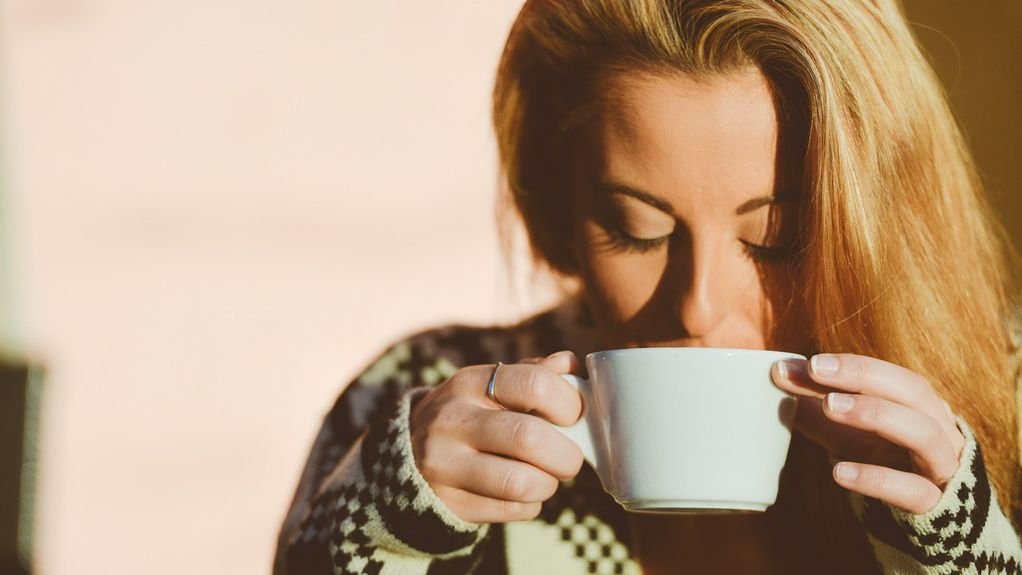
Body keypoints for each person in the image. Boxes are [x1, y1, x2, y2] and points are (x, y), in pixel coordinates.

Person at [273, 1, 1022, 573]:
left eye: (775, 238)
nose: (697, 305)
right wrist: (381, 526)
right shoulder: (423, 392)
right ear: (560, 208)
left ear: (880, 213)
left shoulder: (1005, 389)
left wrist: (967, 547)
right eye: (638, 229)